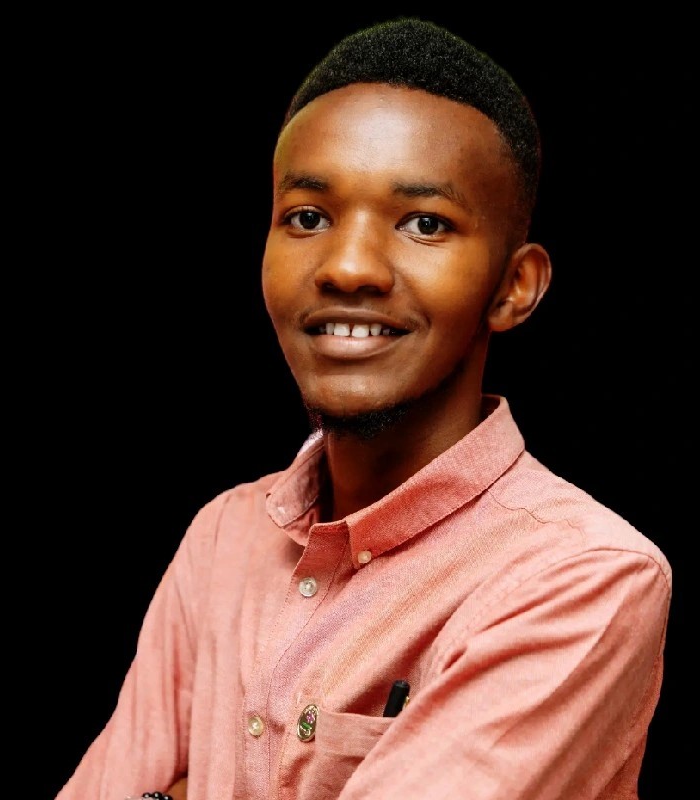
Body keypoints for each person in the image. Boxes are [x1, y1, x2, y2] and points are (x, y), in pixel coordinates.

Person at [56, 17, 672, 800]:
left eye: (425, 224)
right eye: (308, 217)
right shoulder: (223, 538)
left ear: (514, 287)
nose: (348, 268)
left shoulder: (581, 577)